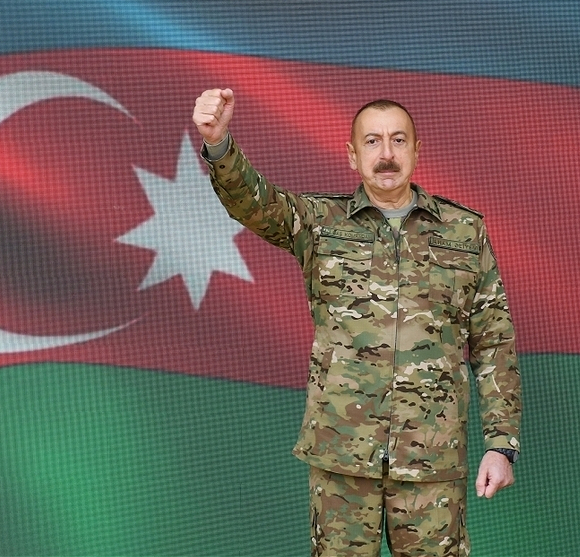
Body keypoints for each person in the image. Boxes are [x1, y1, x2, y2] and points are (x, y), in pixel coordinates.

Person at [193, 88, 521, 557]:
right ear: (352, 154)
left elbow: (494, 343)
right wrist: (219, 143)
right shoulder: (319, 223)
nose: (386, 154)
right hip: (342, 457)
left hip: (431, 459)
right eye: (372, 141)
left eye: (398, 140)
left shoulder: (464, 231)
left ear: (417, 150)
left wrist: (501, 444)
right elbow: (255, 202)